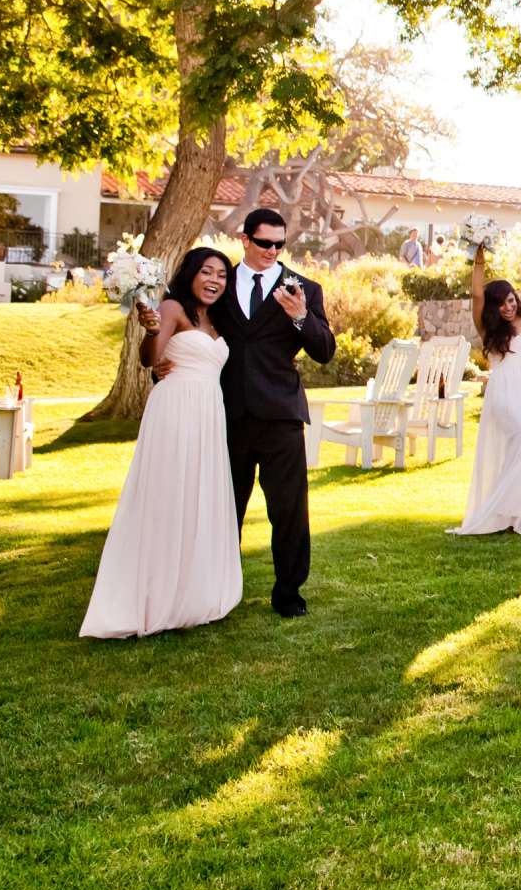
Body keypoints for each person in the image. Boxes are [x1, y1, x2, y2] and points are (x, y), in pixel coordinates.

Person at [82, 248, 243, 638]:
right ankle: (155, 595)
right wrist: (153, 332)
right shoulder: (171, 307)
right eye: (206, 271)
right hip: (176, 410)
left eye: (221, 274)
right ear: (190, 274)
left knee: (200, 495)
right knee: (169, 496)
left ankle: (193, 591)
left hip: (209, 412)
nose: (214, 280)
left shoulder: (217, 317)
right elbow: (150, 359)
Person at [205, 207, 334, 618]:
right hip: (228, 412)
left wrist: (301, 317)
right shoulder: (219, 284)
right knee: (225, 507)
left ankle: (289, 593)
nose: (272, 251)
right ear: (245, 239)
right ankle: (216, 589)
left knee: (289, 509)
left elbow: (325, 350)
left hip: (281, 413)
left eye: (280, 244)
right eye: (264, 243)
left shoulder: (303, 289)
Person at [449, 245, 521, 538]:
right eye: (501, 305)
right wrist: (479, 262)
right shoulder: (488, 329)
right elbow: (477, 295)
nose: (508, 308)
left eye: (510, 300)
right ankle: (501, 507)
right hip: (506, 392)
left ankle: (520, 511)